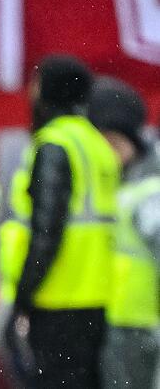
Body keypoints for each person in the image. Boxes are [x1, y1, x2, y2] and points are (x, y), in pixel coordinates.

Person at [4, 55, 119, 388]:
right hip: (95, 296)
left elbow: (46, 230)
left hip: (57, 300)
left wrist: (24, 296)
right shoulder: (95, 143)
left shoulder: (56, 144)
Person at [89, 77, 159, 389]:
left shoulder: (147, 192)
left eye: (115, 143)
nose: (108, 153)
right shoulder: (111, 186)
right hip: (109, 320)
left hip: (138, 326)